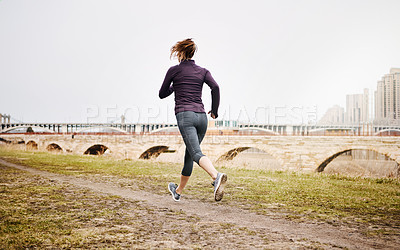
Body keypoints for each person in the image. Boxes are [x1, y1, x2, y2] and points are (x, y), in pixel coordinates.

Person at [159, 38, 227, 202]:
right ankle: (178, 191)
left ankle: (216, 176)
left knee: (196, 153)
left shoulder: (174, 70)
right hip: (202, 117)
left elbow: (162, 94)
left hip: (185, 115)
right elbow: (215, 87)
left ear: (180, 53)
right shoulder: (203, 71)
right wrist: (215, 111)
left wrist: (175, 85)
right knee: (190, 154)